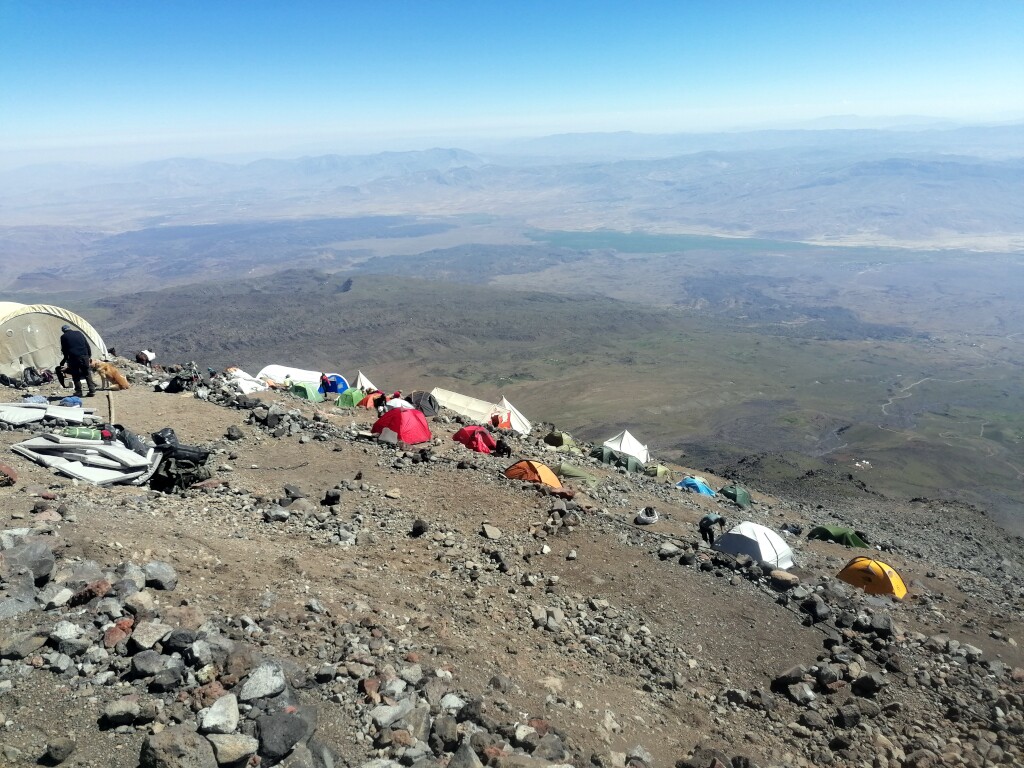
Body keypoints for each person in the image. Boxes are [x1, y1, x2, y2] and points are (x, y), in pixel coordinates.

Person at [58, 324, 96, 397]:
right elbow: (87, 345)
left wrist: (65, 359)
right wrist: (89, 356)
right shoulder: (79, 333)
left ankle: (79, 391)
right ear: (70, 328)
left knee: (76, 375)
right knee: (87, 373)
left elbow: (64, 350)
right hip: (84, 357)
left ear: (63, 331)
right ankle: (92, 390)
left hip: (73, 358)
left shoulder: (63, 337)